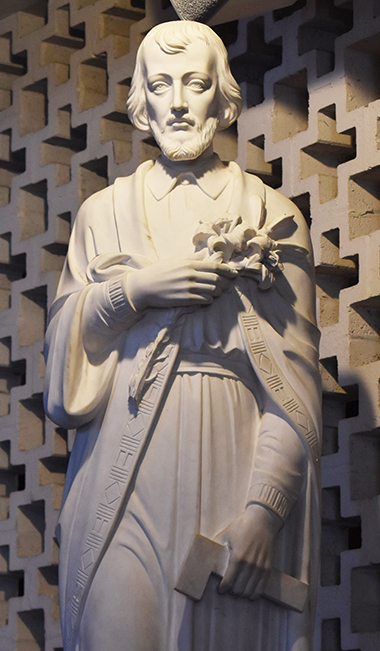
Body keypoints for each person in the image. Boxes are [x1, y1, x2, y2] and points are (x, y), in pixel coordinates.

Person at [44, 20, 321, 651]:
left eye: (194, 84)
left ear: (221, 97)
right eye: (160, 84)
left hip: (230, 455)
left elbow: (294, 389)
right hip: (123, 460)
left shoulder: (271, 216)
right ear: (142, 98)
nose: (176, 101)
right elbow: (62, 362)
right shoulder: (103, 214)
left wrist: (263, 510)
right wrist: (135, 292)